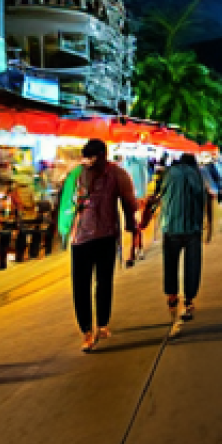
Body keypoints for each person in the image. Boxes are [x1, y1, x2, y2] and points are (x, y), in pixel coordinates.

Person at [69, 139, 138, 353]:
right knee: (81, 286)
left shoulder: (117, 174)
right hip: (80, 237)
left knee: (104, 282)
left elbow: (128, 201)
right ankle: (87, 331)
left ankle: (102, 324)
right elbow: (65, 204)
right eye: (87, 157)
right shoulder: (76, 175)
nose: (90, 162)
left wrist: (130, 224)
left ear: (102, 155)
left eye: (94, 157)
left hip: (106, 236)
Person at [156, 153, 206, 321]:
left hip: (171, 226)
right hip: (192, 228)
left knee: (170, 264)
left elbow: (159, 195)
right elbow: (202, 198)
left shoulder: (169, 173)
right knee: (192, 265)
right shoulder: (196, 174)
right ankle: (189, 302)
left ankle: (172, 298)